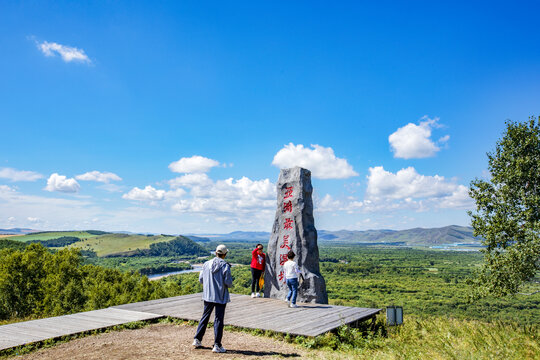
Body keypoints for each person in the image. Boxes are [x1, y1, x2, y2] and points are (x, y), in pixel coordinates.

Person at [192, 244, 233, 353]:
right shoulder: (225, 266)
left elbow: (201, 279)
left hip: (208, 295)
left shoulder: (206, 264)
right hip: (220, 296)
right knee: (218, 320)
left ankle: (197, 339)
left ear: (216, 253)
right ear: (225, 254)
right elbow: (228, 283)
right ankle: (217, 345)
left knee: (204, 317)